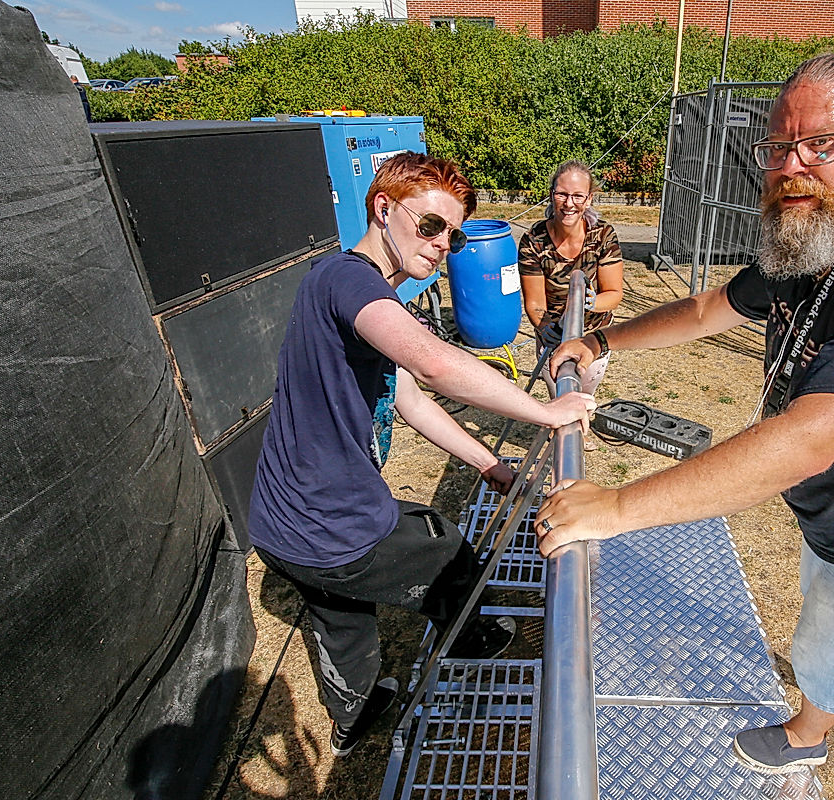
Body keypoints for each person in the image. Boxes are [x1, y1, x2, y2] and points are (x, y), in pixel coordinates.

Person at [535, 53, 834, 775]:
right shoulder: (816, 235)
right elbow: (713, 306)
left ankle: (809, 734)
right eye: (778, 148)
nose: (790, 167)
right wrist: (601, 338)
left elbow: (811, 440)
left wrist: (614, 508)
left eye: (818, 144)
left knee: (827, 637)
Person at [248, 152, 595, 758]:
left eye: (453, 235)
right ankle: (471, 638)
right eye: (431, 225)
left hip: (278, 528)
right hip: (332, 524)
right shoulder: (349, 279)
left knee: (344, 622)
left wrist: (489, 464)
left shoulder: (358, 293)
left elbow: (408, 394)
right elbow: (434, 363)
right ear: (384, 209)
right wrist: (546, 411)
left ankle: (352, 716)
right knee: (444, 545)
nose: (441, 246)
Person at [518, 160, 624, 398]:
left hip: (593, 338)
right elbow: (535, 304)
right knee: (560, 399)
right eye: (562, 194)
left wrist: (589, 302)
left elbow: (614, 294)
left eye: (578, 196)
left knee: (584, 397)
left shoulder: (603, 235)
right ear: (551, 195)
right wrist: (546, 330)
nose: (569, 204)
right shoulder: (533, 241)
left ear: (588, 200)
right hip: (554, 338)